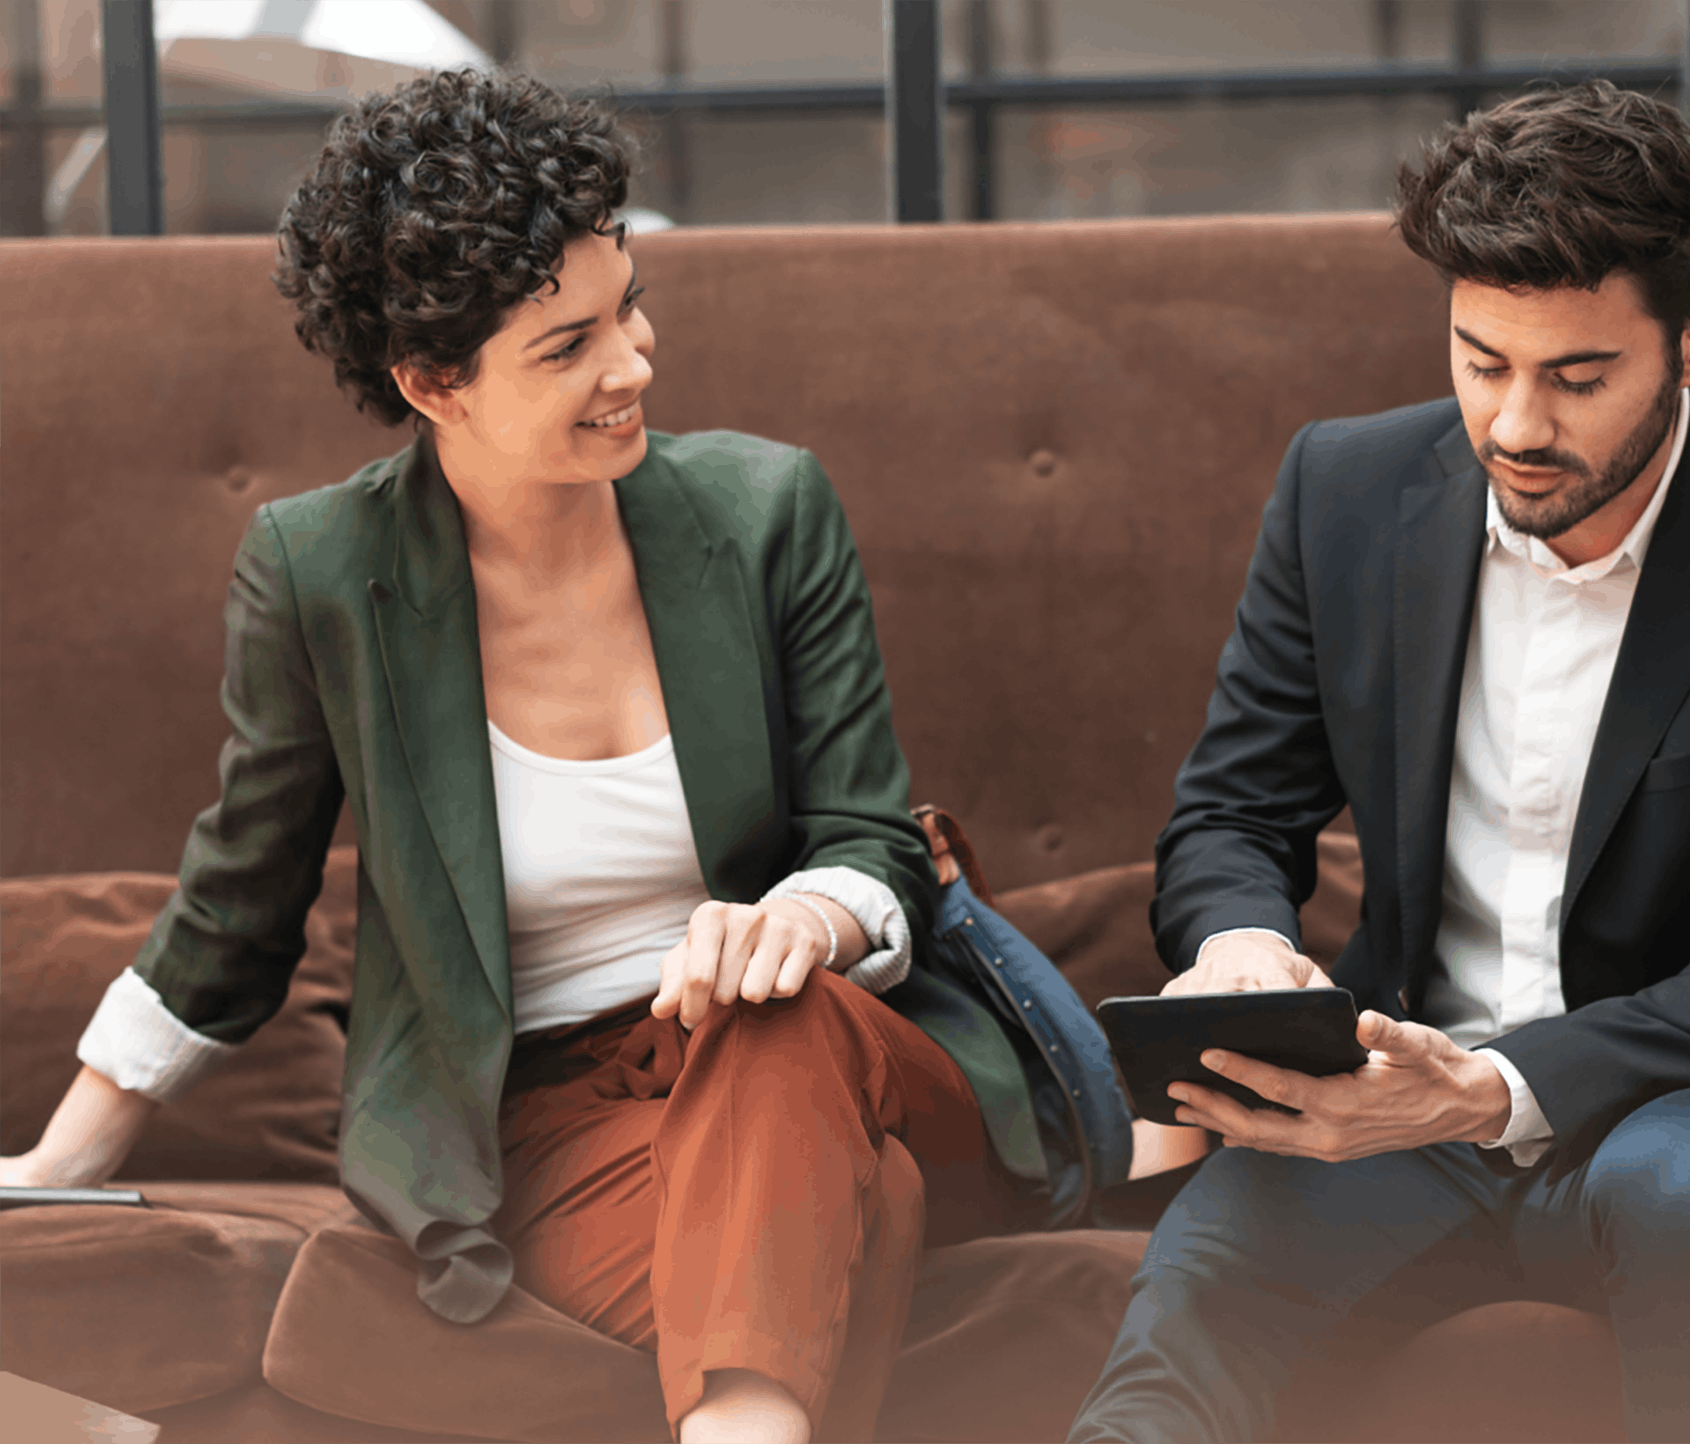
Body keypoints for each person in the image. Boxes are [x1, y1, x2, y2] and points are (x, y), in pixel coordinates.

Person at [0, 69, 999, 1444]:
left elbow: (872, 837)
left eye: (632, 302)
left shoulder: (768, 511)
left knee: (785, 1021)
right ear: (431, 385)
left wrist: (810, 917)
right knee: (860, 1213)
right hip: (542, 1119)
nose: (634, 363)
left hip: (833, 1046)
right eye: (567, 344)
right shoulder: (323, 571)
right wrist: (66, 1152)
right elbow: (242, 895)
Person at [1069, 80, 1690, 1444]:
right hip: (1391, 1093)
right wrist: (1240, 942)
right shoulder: (1342, 494)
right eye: (1483, 361)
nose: (1518, 426)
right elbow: (1237, 808)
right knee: (1191, 1317)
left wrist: (1489, 1090)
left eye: (1579, 376)